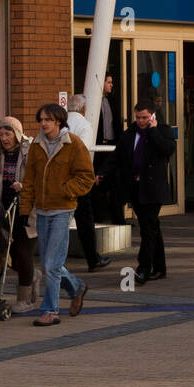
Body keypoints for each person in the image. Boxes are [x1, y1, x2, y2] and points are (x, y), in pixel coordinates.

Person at [17, 104, 94, 326]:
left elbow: (86, 177)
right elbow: (29, 179)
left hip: (62, 209)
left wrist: (65, 190)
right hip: (41, 210)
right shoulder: (37, 145)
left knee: (51, 264)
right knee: (51, 264)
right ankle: (77, 287)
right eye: (41, 119)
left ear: (58, 121)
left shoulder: (73, 144)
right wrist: (25, 210)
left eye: (47, 120)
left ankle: (50, 311)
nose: (43, 124)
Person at [0, 116, 38, 312]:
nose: (4, 138)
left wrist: (24, 186)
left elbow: (38, 178)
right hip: (3, 209)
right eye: (1, 134)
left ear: (17, 134)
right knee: (4, 253)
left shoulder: (30, 150)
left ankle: (24, 300)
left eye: (8, 133)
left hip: (26, 208)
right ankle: (32, 276)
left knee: (22, 252)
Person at [113, 100, 175, 282]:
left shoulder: (163, 130)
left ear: (153, 116)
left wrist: (153, 130)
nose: (141, 121)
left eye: (145, 117)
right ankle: (160, 268)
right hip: (136, 188)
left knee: (148, 228)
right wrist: (102, 174)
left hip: (154, 188)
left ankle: (144, 268)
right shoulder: (130, 134)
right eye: (138, 117)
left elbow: (167, 149)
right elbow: (117, 156)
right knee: (152, 227)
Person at [63, 96, 111, 273]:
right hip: (78, 179)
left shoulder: (60, 122)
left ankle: (58, 260)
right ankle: (92, 258)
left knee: (62, 219)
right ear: (83, 109)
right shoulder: (84, 125)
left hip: (60, 179)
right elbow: (82, 152)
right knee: (85, 219)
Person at [92, 73, 123, 225]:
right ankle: (98, 215)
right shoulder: (93, 101)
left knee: (115, 181)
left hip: (111, 145)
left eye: (111, 82)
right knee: (97, 181)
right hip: (97, 147)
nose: (111, 85)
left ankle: (118, 217)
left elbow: (115, 122)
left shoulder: (112, 100)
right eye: (109, 82)